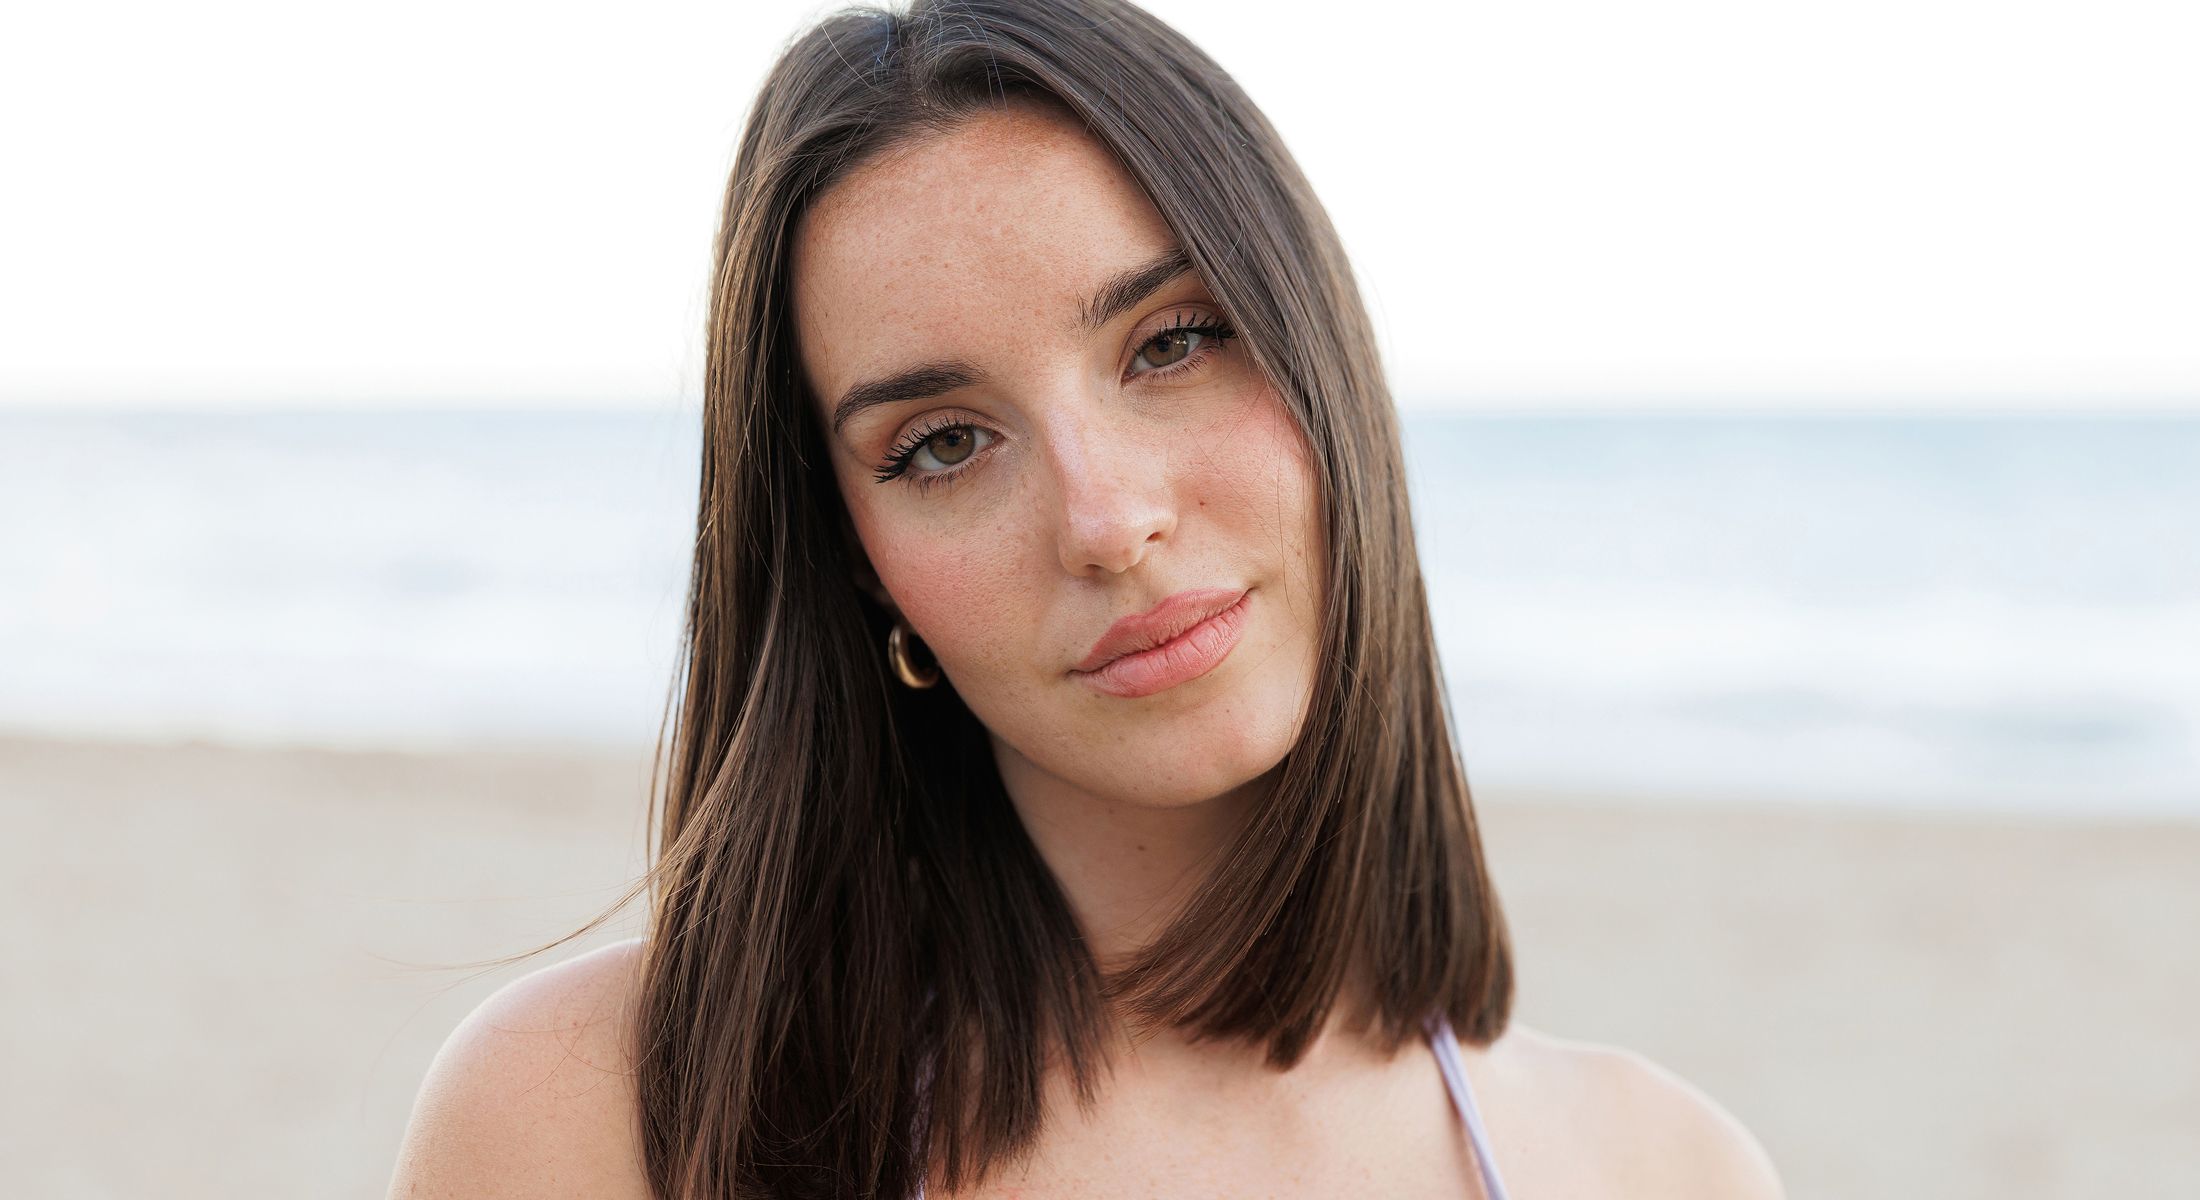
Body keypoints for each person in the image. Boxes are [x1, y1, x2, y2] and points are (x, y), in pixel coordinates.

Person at [385, 2, 1786, 1197]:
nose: (1110, 523)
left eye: (1173, 342)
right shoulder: (608, 1117)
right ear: (856, 560)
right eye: (941, 443)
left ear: (1322, 356)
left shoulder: (1657, 1166)